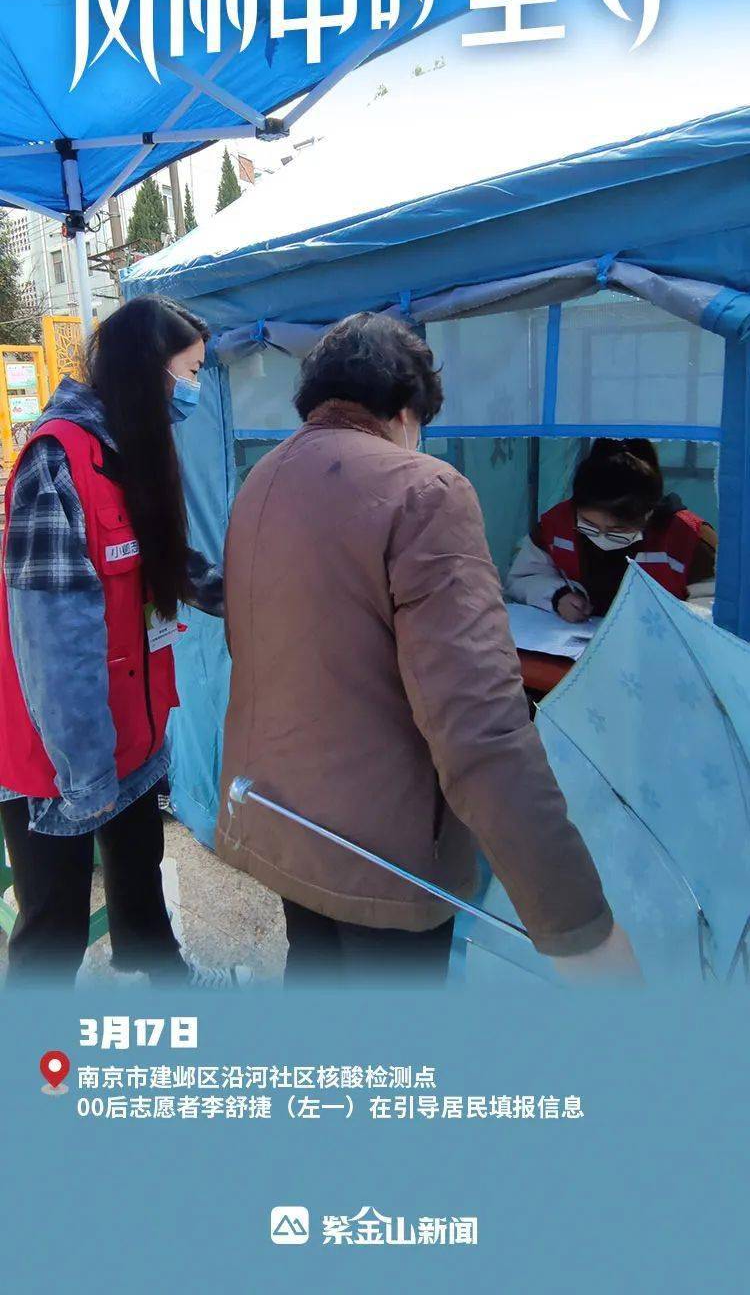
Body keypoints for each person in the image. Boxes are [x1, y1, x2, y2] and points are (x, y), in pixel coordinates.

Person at [216, 313, 637, 984]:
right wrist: (578, 926)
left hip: (284, 817)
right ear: (407, 411)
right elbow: (480, 727)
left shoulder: (261, 481)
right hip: (385, 855)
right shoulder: (424, 490)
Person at [0, 296, 245, 987]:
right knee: (55, 925)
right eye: (190, 373)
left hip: (129, 725)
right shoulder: (57, 462)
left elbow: (164, 567)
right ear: (149, 371)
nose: (193, 390)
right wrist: (86, 777)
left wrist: (257, 598)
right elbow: (52, 643)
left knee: (140, 874)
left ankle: (169, 983)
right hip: (62, 745)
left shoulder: (128, 451)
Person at [506, 438, 718, 623]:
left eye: (618, 530)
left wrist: (667, 620)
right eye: (589, 526)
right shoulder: (557, 524)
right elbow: (522, 578)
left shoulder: (690, 539)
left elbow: (715, 608)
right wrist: (557, 596)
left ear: (648, 513)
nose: (601, 537)